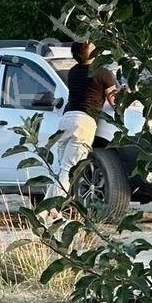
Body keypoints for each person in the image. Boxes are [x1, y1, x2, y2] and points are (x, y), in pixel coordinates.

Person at [51, 40, 118, 198]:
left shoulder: (73, 72)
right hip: (84, 122)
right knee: (69, 169)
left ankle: (46, 210)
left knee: (59, 168)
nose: (94, 45)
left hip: (66, 119)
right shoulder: (102, 73)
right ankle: (52, 209)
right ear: (89, 53)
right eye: (91, 45)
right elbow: (115, 101)